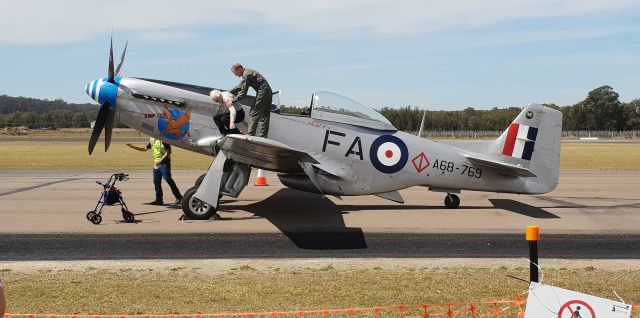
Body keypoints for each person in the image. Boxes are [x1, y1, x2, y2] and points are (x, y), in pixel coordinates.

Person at [127, 138, 182, 205]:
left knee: (168, 179)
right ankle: (159, 199)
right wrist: (133, 147)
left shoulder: (163, 140)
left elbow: (169, 152)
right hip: (156, 164)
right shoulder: (152, 139)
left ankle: (179, 197)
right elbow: (144, 149)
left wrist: (160, 161)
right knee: (156, 182)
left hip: (164, 163)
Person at [229, 63, 272, 137]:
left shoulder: (246, 75)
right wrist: (228, 92)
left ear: (239, 69)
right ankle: (263, 137)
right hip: (268, 92)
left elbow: (243, 93)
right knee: (264, 116)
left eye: (235, 73)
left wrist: (232, 101)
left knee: (253, 113)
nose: (235, 75)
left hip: (263, 92)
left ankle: (250, 135)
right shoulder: (247, 73)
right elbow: (239, 87)